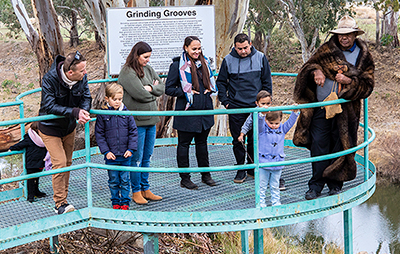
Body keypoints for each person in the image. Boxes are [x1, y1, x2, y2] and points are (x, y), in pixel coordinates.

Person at [293, 16, 374, 200]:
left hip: (346, 112)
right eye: (340, 35)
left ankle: (335, 184)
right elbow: (308, 66)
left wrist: (349, 82)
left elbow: (368, 85)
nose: (343, 38)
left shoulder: (364, 57)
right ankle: (315, 186)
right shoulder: (326, 50)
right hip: (322, 109)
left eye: (347, 35)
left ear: (355, 35)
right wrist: (316, 70)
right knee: (319, 145)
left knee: (340, 146)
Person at [38, 51, 92, 214]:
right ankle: (59, 203)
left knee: (67, 163)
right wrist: (75, 112)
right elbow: (49, 106)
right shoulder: (50, 79)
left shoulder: (82, 78)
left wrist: (84, 111)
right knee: (60, 163)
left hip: (68, 127)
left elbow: (86, 97)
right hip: (50, 127)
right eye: (82, 71)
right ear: (70, 72)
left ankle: (64, 200)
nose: (85, 73)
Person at [217, 33, 273, 184]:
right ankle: (241, 169)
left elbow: (267, 81)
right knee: (238, 140)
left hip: (256, 107)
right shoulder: (228, 60)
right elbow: (221, 82)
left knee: (255, 139)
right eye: (239, 48)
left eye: (245, 48)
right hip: (236, 107)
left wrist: (266, 104)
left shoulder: (261, 57)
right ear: (234, 47)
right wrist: (226, 101)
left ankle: (252, 167)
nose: (243, 51)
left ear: (250, 44)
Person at [165, 36, 217, 190]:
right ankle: (185, 178)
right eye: (194, 49)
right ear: (186, 48)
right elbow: (169, 89)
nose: (197, 51)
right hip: (187, 112)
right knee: (184, 145)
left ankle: (205, 174)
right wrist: (186, 91)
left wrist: (209, 89)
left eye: (199, 48)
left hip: (204, 111)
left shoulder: (205, 63)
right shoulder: (177, 66)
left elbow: (211, 82)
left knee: (202, 144)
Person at [118, 41, 164, 205]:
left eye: (149, 57)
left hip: (151, 119)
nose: (148, 60)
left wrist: (149, 89)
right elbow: (140, 95)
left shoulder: (148, 69)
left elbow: (161, 87)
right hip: (136, 122)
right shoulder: (127, 73)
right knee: (135, 158)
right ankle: (135, 190)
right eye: (145, 57)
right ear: (136, 55)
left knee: (147, 157)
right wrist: (152, 90)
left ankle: (145, 187)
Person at [240, 94, 299, 206]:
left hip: (277, 163)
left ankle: (276, 202)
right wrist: (262, 114)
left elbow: (291, 122)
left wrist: (295, 111)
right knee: (262, 185)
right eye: (271, 123)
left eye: (276, 123)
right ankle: (261, 203)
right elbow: (260, 121)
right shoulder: (262, 129)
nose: (273, 126)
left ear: (280, 121)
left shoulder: (282, 129)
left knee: (275, 185)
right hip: (264, 163)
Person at [95, 83, 138, 210]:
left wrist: (131, 149)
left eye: (120, 99)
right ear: (107, 99)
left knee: (125, 180)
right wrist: (106, 151)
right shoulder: (103, 114)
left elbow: (133, 132)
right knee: (113, 180)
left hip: (125, 155)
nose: (118, 102)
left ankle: (125, 202)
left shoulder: (127, 113)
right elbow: (100, 134)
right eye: (115, 99)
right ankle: (115, 201)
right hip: (111, 155)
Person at [9, 122, 47, 203]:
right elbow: (20, 145)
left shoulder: (44, 138)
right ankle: (30, 195)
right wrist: (12, 148)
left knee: (37, 177)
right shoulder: (29, 138)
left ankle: (36, 191)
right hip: (31, 163)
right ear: (37, 130)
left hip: (40, 162)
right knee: (30, 180)